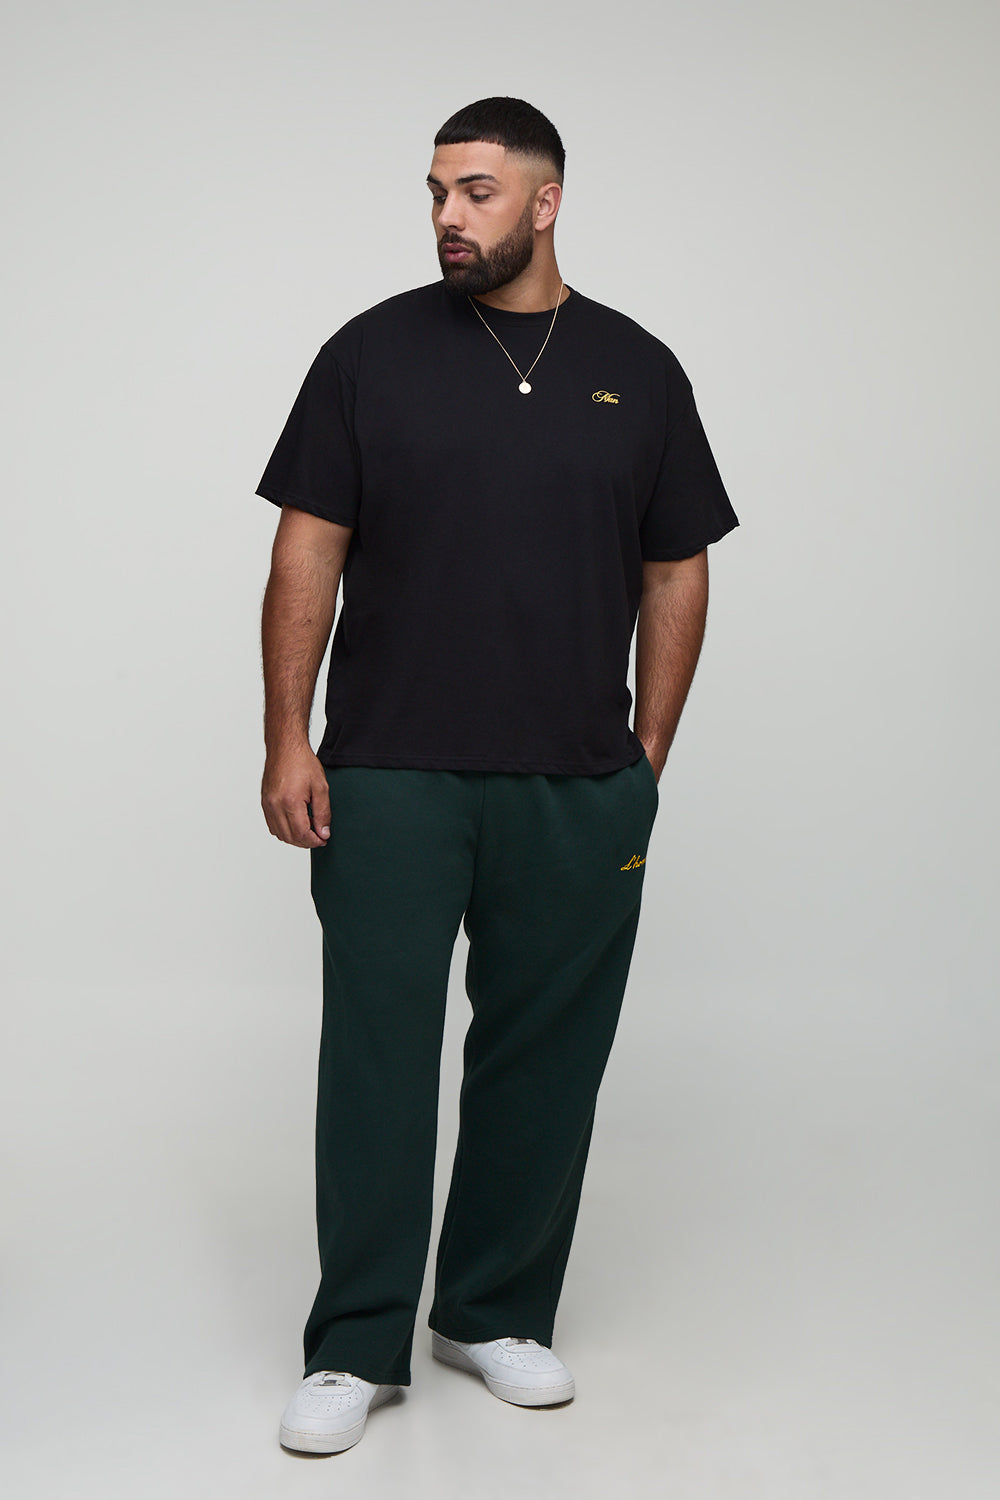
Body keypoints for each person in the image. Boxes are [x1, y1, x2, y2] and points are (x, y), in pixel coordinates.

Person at [255, 96, 739, 1454]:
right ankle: (355, 1343)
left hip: (576, 780)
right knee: (376, 1058)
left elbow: (678, 564)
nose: (448, 217)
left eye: (475, 191)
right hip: (390, 771)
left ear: (546, 201)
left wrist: (647, 751)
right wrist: (289, 735)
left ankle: (493, 1309)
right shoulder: (368, 354)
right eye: (434, 192)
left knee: (545, 1055)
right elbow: (307, 550)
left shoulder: (638, 369)